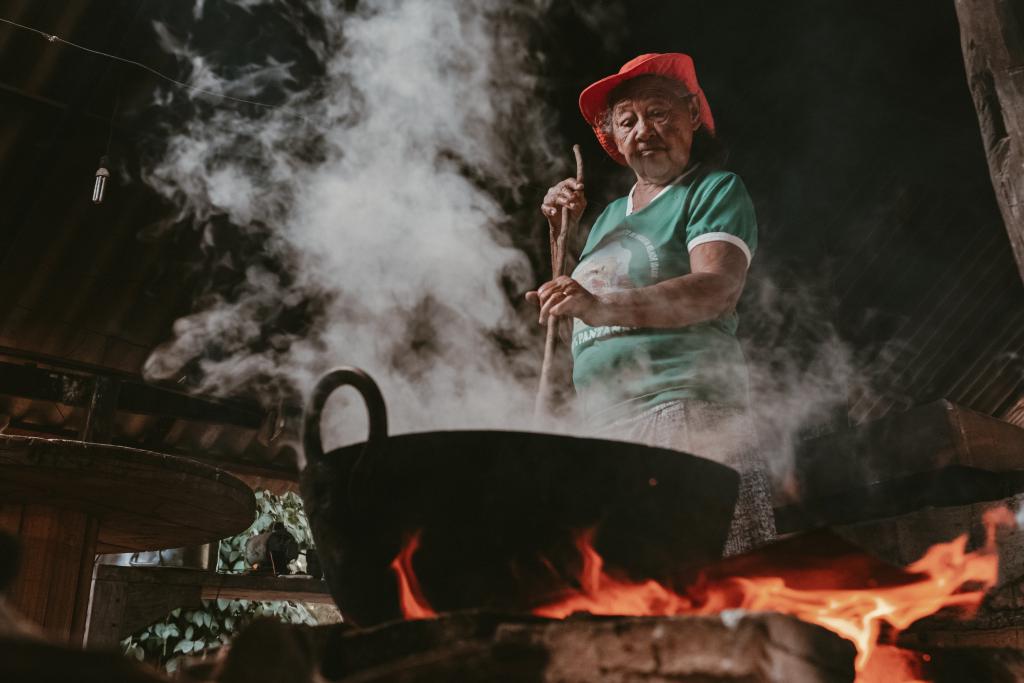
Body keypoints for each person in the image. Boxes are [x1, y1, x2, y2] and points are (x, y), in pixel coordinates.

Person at [526, 53, 775, 556]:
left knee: (711, 581)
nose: (645, 130)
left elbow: (716, 288)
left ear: (692, 115)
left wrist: (598, 306)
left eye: (659, 112)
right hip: (604, 428)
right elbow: (594, 298)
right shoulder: (608, 218)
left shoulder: (711, 189)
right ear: (613, 139)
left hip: (683, 409)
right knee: (639, 599)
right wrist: (562, 236)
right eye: (627, 121)